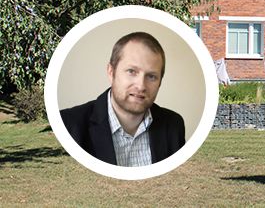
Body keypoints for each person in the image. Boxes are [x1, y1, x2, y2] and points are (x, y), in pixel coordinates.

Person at [60, 32, 185, 167]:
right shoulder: (67, 125)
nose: (141, 86)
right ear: (111, 72)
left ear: (160, 82)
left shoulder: (174, 125)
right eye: (131, 71)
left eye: (151, 76)